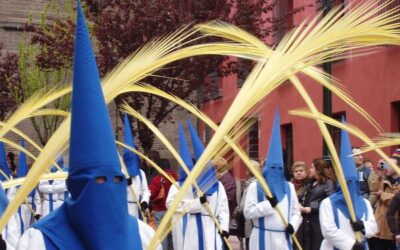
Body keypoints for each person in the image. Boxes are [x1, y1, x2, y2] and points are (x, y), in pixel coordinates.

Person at [16, 2, 159, 248]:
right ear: (77, 185)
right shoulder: (39, 240)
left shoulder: (143, 236)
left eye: (116, 180)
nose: (110, 188)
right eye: (98, 181)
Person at [244, 111, 302, 250]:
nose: (275, 171)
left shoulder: (289, 187)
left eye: (279, 168)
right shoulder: (256, 186)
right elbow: (248, 212)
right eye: (272, 167)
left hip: (283, 239)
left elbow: (296, 212)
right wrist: (267, 205)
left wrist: (293, 225)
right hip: (261, 239)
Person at [166, 122, 229, 250]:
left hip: (213, 227)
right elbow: (171, 204)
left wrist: (224, 228)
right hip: (193, 226)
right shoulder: (186, 186)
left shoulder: (219, 186)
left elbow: (223, 208)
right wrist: (197, 203)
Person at [319, 121, 377, 250]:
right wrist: (351, 245)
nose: (350, 186)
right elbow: (328, 230)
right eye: (347, 183)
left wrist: (362, 226)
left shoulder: (365, 203)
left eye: (353, 182)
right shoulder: (328, 203)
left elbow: (373, 227)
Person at [297, 158, 335, 250]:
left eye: (312, 167)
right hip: (306, 220)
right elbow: (304, 197)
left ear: (319, 170)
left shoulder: (329, 184)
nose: (310, 169)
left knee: (316, 244)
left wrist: (311, 208)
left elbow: (329, 201)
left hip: (317, 220)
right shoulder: (311, 183)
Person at [123, 114, 151, 219]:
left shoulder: (141, 173)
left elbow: (145, 190)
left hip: (137, 209)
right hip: (124, 209)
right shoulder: (120, 172)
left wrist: (144, 201)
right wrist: (124, 184)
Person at [370, 158, 400, 249]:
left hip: (392, 229)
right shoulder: (384, 179)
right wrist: (379, 173)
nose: (387, 167)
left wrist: (382, 195)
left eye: (390, 165)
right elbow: (374, 190)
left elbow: (396, 201)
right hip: (378, 228)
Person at [149, 159, 177, 250]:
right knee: (172, 234)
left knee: (162, 235)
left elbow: (152, 193)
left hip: (160, 209)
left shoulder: (158, 178)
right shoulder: (175, 177)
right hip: (173, 210)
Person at [237, 160, 261, 250]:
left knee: (250, 244)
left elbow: (243, 205)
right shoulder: (258, 183)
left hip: (250, 220)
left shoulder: (251, 184)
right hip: (254, 219)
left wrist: (239, 210)